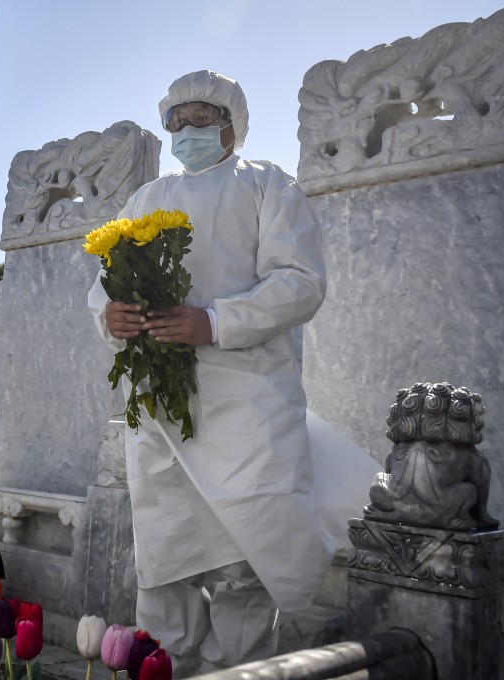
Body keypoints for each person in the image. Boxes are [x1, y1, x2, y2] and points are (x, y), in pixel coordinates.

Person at [87, 70, 337, 676]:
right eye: (176, 118)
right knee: (167, 550)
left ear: (231, 123)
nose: (185, 128)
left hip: (247, 402)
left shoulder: (268, 185)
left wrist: (215, 322)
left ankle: (236, 670)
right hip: (162, 409)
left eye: (201, 116)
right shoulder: (145, 199)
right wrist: (109, 314)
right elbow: (100, 282)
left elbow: (301, 282)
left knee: (247, 555)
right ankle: (163, 665)